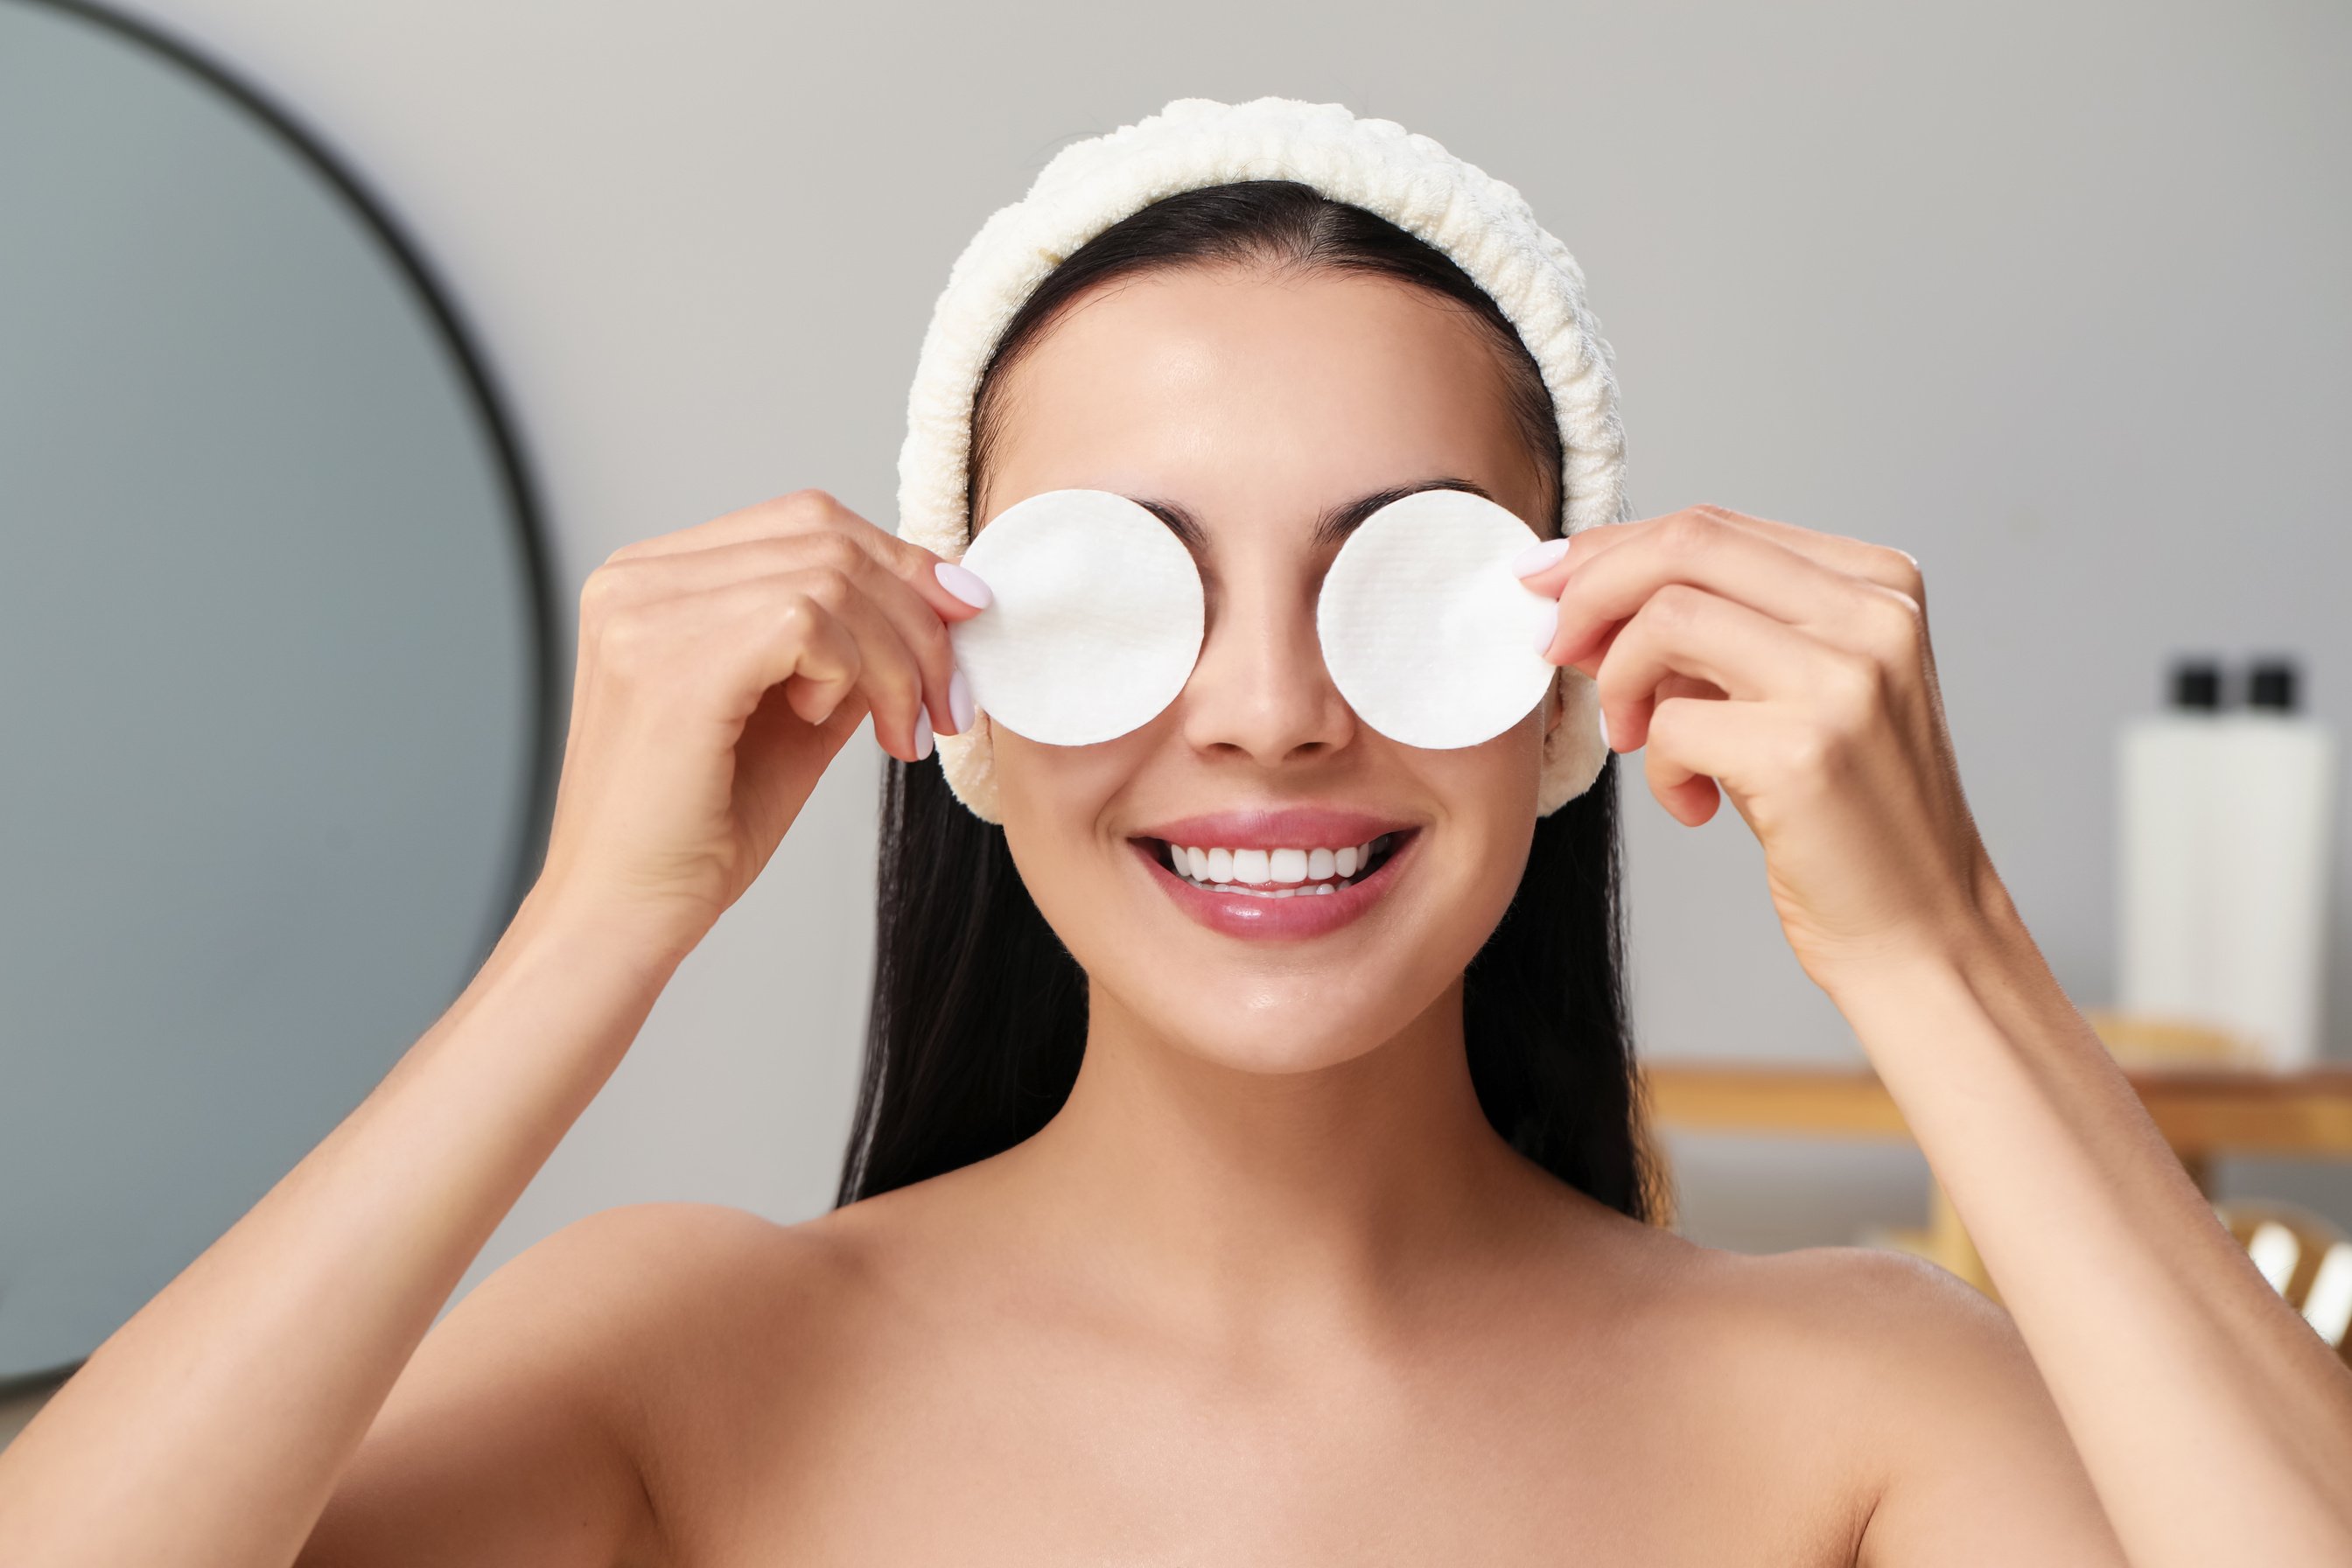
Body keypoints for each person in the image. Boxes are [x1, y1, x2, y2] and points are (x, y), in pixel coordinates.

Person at [4, 163, 2350, 1567]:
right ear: (962, 690)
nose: (1264, 709)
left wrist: (1940, 952)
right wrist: (591, 937)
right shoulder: (689, 1362)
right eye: (1126, 589)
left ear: (1558, 683)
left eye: (1395, 585)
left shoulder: (1856, 1408)